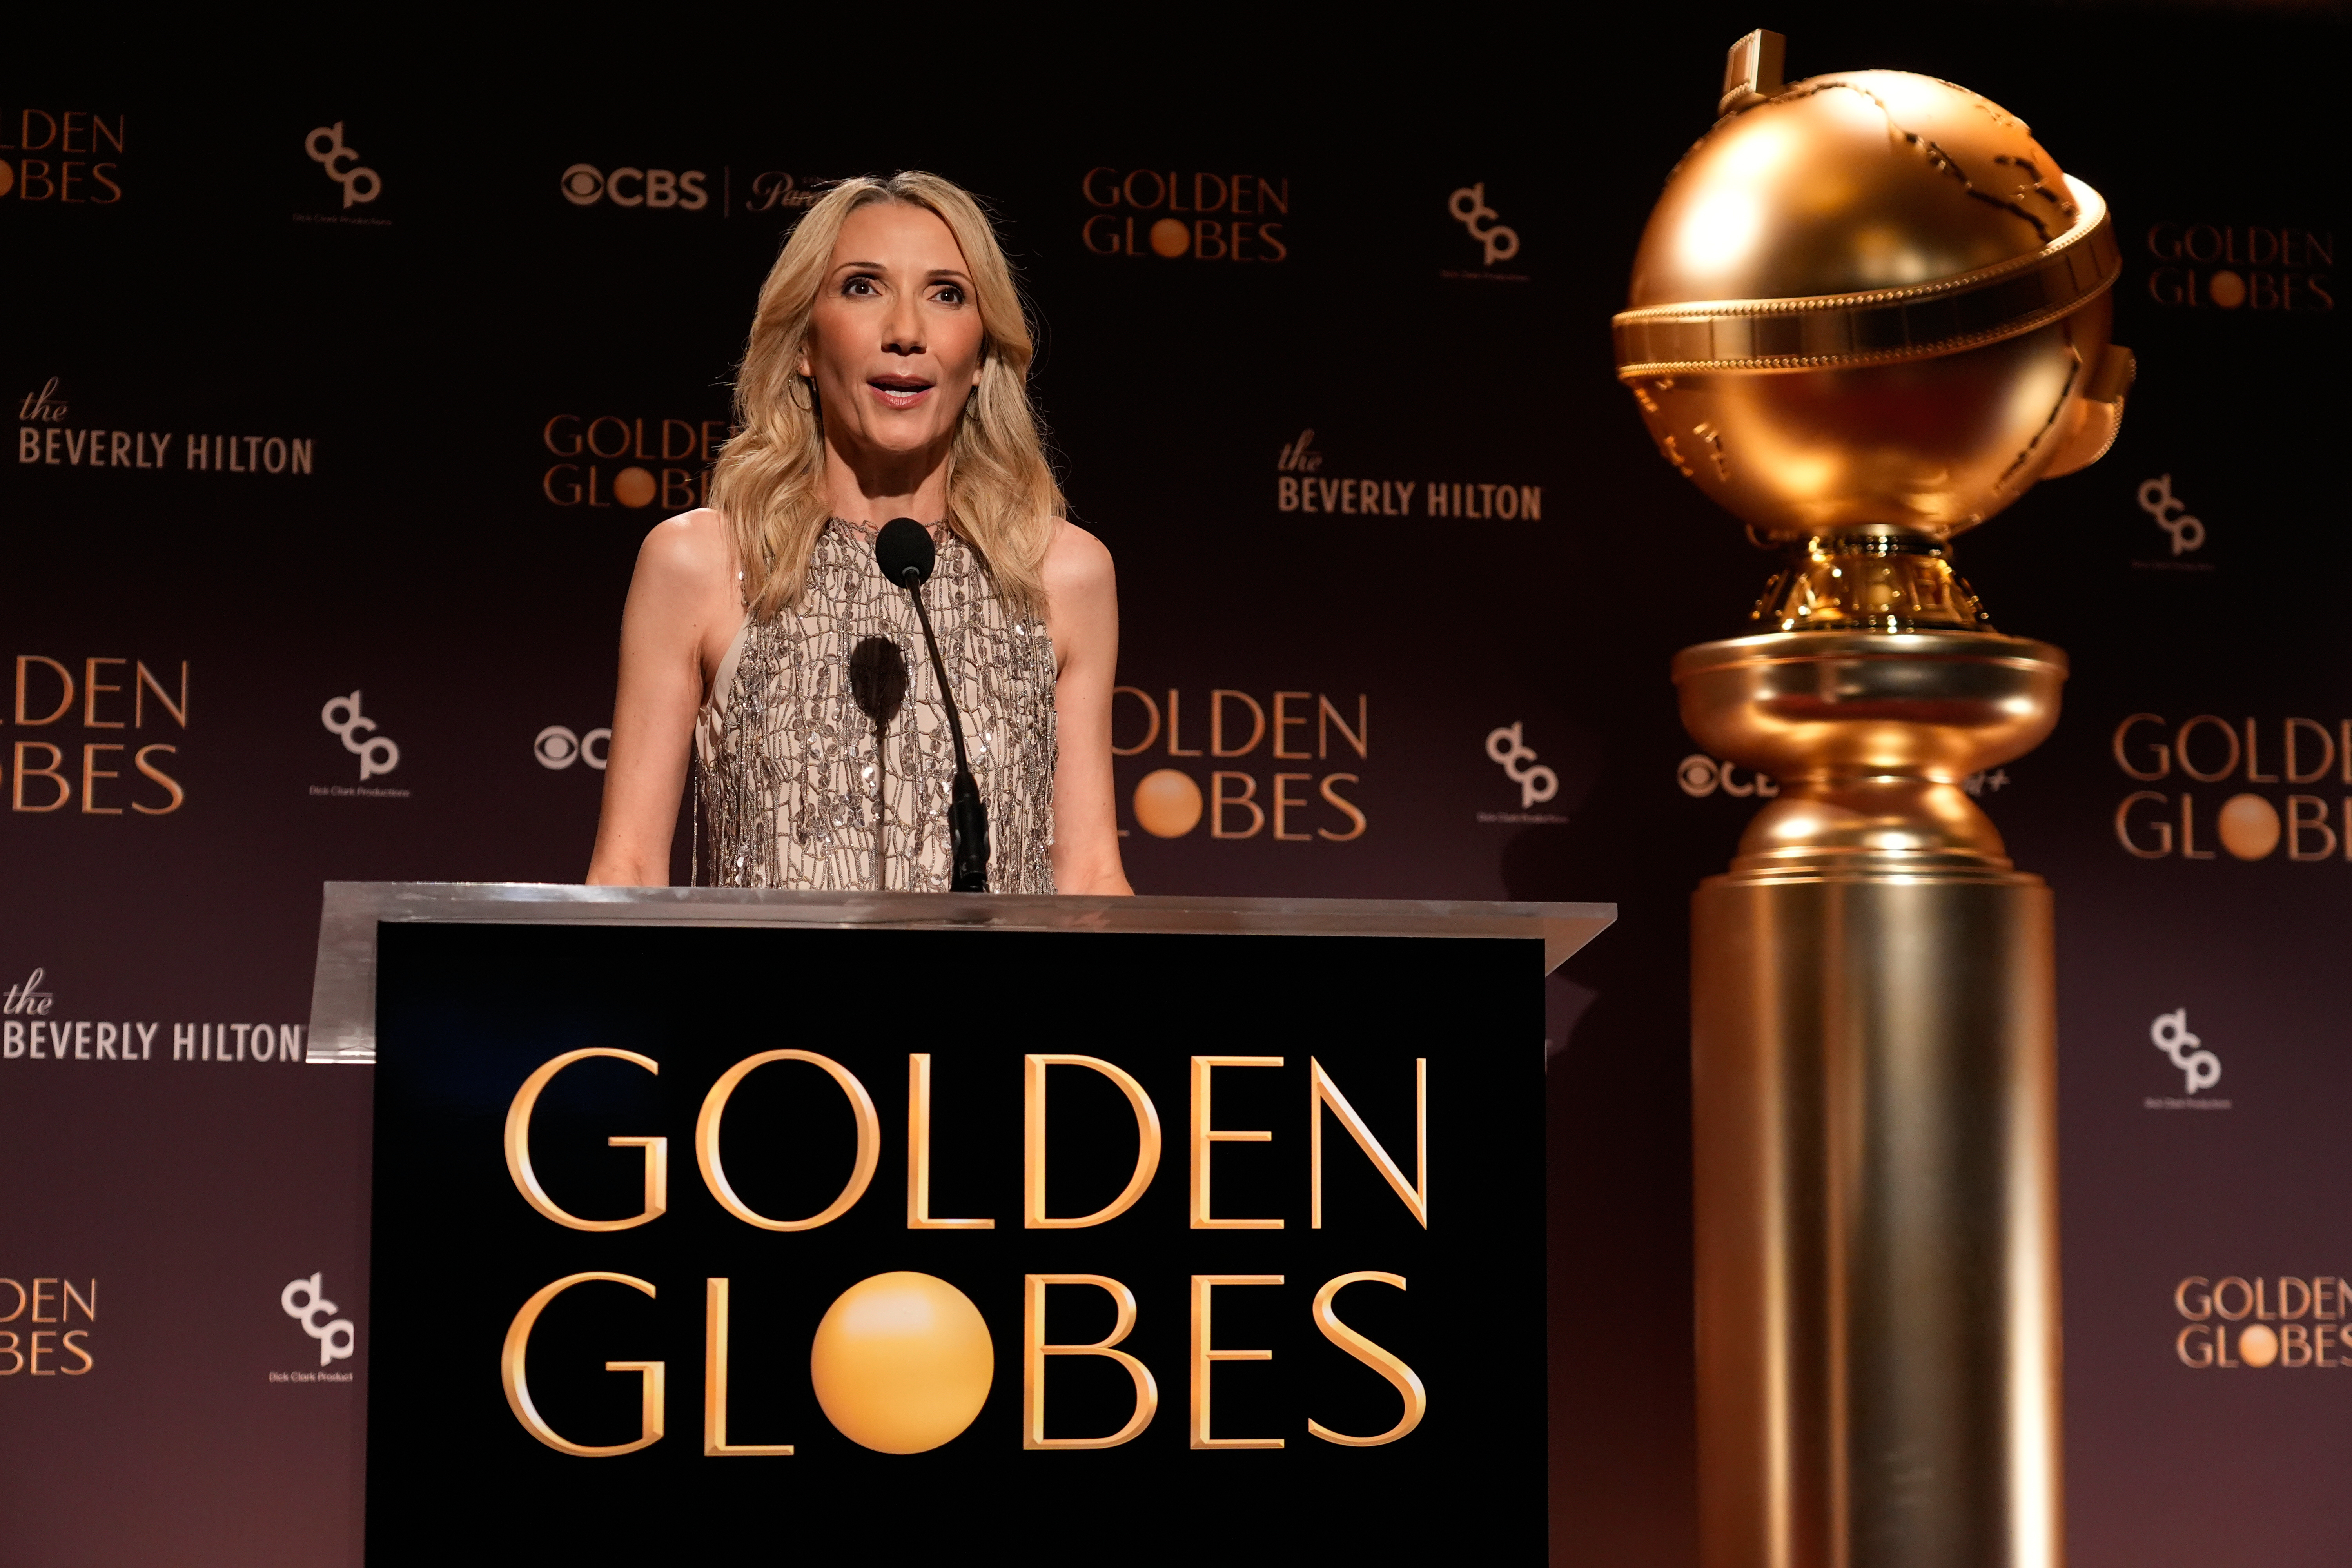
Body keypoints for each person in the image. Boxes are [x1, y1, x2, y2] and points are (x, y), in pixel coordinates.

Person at [585, 172, 1130, 895]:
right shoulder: (702, 562)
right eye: (863, 287)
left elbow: (1091, 874)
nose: (906, 332)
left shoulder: (1062, 574)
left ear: (981, 356)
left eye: (946, 294)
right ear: (805, 343)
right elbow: (628, 872)